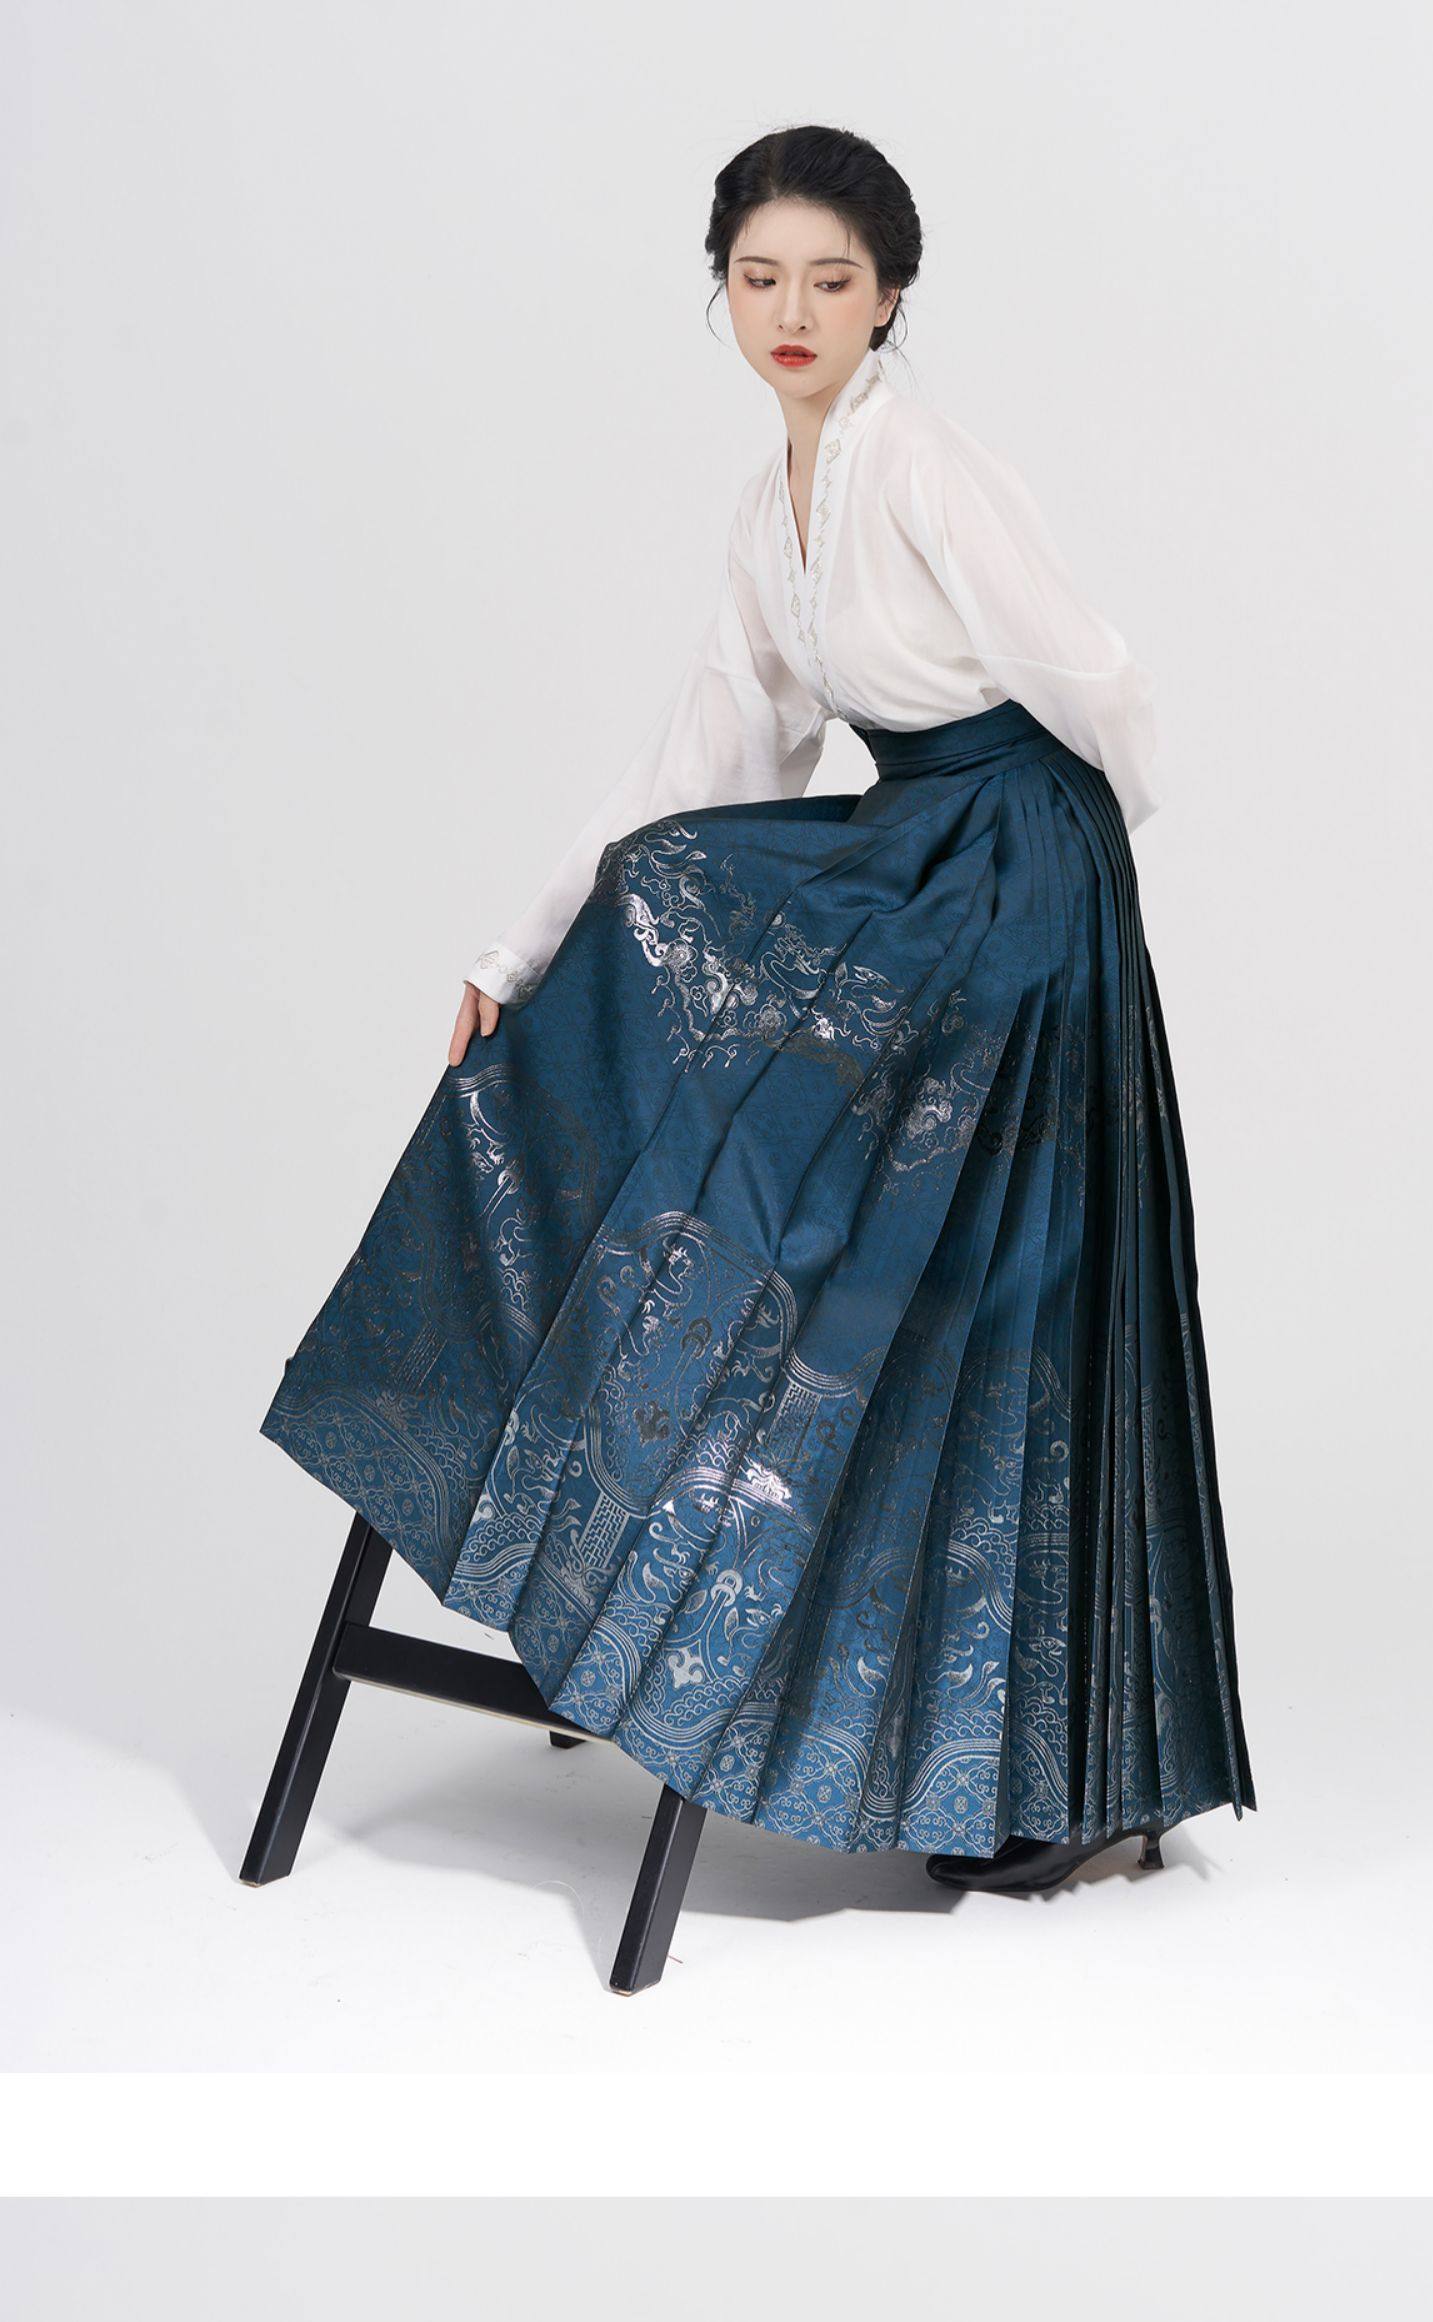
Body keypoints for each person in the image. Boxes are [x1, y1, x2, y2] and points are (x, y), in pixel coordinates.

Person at [262, 123, 1255, 1897]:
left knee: (971, 1274)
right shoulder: (768, 505)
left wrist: (1069, 889)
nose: (792, 309)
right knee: (663, 906)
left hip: (1014, 866)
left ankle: (1047, 1762)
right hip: (927, 850)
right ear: (719, 290)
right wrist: (519, 948)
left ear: (890, 298)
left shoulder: (922, 462)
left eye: (831, 279)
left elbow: (1100, 682)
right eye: (758, 276)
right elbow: (714, 747)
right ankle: (615, 1562)